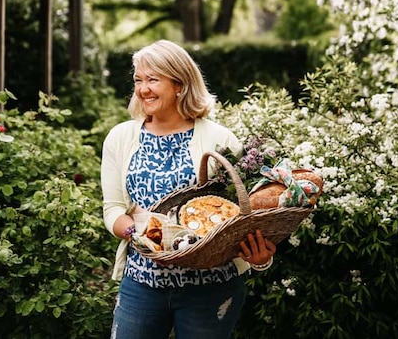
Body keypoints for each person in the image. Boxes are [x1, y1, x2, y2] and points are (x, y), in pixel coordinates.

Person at [101, 40, 277, 339]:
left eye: (153, 79)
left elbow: (247, 209)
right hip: (143, 282)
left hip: (211, 288)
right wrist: (140, 236)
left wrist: (261, 258)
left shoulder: (220, 138)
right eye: (138, 80)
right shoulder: (121, 137)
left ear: (180, 84)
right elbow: (113, 209)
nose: (143, 89)